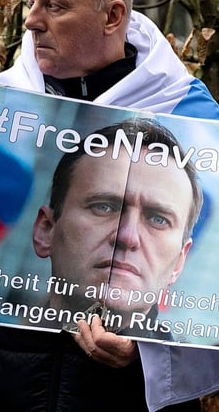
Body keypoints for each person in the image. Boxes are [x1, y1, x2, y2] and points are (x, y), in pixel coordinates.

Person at [0, 0, 219, 412]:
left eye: (54, 6)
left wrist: (147, 355)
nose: (32, 21)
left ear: (113, 16)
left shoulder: (191, 118)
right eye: (31, 4)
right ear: (45, 228)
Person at [32, 118, 201, 340]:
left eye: (158, 220)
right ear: (46, 230)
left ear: (179, 263)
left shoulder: (197, 375)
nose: (127, 237)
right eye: (104, 207)